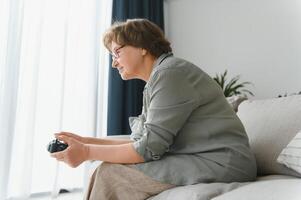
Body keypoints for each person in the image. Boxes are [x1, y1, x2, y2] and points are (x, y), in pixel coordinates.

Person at [51, 18, 257, 200]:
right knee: (106, 168)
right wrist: (84, 141)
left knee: (110, 174)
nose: (114, 63)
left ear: (142, 47)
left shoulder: (171, 74)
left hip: (223, 163)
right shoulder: (158, 80)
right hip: (200, 158)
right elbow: (140, 141)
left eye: (117, 52)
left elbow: (148, 148)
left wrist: (86, 152)